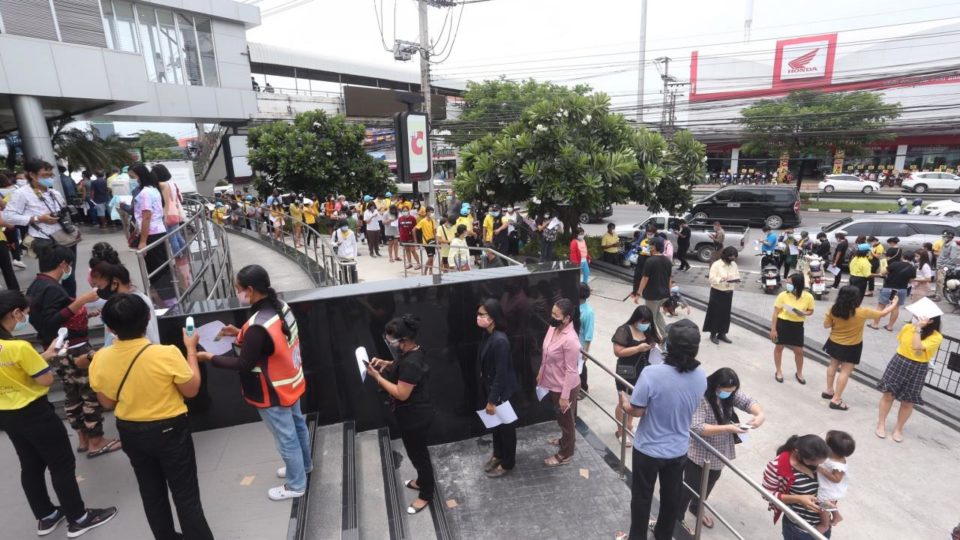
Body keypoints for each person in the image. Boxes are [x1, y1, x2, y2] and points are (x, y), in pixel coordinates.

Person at [90, 293, 213, 539]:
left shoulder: (100, 358)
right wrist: (190, 350)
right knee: (185, 493)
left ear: (109, 327)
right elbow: (191, 389)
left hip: (130, 431)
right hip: (170, 430)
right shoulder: (165, 354)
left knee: (151, 491)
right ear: (147, 318)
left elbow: (106, 402)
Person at [0, 290, 118, 538]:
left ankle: (46, 516)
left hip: (8, 415)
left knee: (30, 466)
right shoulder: (20, 347)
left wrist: (43, 356)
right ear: (15, 313)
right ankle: (79, 518)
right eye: (24, 313)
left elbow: (14, 369)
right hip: (36, 413)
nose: (25, 317)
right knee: (61, 464)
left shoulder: (15, 349)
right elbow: (44, 380)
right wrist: (45, 362)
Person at [197, 265, 310, 500]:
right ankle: (303, 467)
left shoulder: (258, 323)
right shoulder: (280, 307)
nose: (237, 293)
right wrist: (240, 332)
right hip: (291, 380)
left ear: (250, 289)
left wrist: (210, 358)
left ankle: (296, 485)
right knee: (298, 426)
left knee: (285, 436)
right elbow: (270, 341)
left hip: (271, 390)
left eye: (238, 288)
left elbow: (243, 364)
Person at [618, 319, 707, 540]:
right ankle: (663, 536)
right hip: (677, 450)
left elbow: (636, 411)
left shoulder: (651, 374)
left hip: (647, 449)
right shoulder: (700, 377)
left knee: (641, 498)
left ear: (668, 346)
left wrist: (623, 401)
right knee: (670, 500)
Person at [678, 368, 765, 534]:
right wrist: (728, 428)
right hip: (698, 452)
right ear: (716, 385)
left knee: (711, 480)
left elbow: (747, 402)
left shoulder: (730, 394)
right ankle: (677, 516)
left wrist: (760, 414)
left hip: (719, 452)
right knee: (690, 486)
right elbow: (697, 427)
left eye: (732, 391)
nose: (729, 394)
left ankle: (697, 507)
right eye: (725, 391)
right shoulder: (701, 397)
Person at [365, 315, 435, 514]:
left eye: (391, 339)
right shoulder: (414, 351)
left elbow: (401, 393)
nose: (389, 342)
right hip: (413, 414)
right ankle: (422, 480)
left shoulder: (412, 363)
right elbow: (401, 366)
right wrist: (386, 364)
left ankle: (426, 494)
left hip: (415, 418)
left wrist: (378, 377)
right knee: (416, 453)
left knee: (419, 456)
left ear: (403, 340)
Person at [3, 159, 79, 296]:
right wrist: (37, 218)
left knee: (69, 276)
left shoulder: (54, 193)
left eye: (51, 175)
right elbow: (8, 217)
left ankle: (72, 307)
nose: (49, 178)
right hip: (45, 240)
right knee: (49, 278)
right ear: (32, 174)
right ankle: (53, 306)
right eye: (45, 175)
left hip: (66, 238)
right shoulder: (21, 193)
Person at [823, 285, 899, 411]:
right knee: (845, 372)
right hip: (852, 345)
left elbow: (826, 325)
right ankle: (836, 399)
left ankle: (829, 390)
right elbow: (883, 314)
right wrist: (894, 303)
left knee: (832, 365)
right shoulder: (862, 312)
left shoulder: (833, 309)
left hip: (834, 342)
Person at [876, 315, 942, 442]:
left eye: (922, 317)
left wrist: (918, 329)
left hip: (919, 367)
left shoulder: (936, 336)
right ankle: (881, 423)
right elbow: (902, 343)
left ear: (931, 320)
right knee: (888, 395)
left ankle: (898, 428)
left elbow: (917, 346)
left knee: (908, 401)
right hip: (900, 361)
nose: (917, 318)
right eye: (917, 316)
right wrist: (916, 328)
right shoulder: (907, 327)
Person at [477, 299, 519, 478]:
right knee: (496, 427)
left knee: (506, 430)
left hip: (501, 394)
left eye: (482, 315)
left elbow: (501, 374)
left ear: (492, 317)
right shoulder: (488, 334)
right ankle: (498, 455)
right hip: (491, 389)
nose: (478, 318)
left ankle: (508, 463)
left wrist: (492, 400)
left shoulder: (500, 340)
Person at [537, 298, 581, 466]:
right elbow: (546, 352)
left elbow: (571, 370)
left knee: (567, 421)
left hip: (565, 388)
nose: (552, 317)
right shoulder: (553, 327)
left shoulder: (571, 340)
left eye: (556, 315)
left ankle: (566, 453)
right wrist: (542, 371)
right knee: (561, 419)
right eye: (552, 313)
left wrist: (564, 396)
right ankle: (564, 441)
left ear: (567, 318)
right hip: (552, 382)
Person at [761, 434, 830, 539]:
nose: (817, 465)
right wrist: (799, 499)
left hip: (824, 524)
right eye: (814, 462)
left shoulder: (816, 458)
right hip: (799, 530)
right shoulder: (776, 466)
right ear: (798, 453)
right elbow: (767, 495)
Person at [611, 305, 660, 441]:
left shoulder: (649, 330)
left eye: (647, 322)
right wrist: (637, 348)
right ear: (635, 319)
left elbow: (658, 342)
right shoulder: (624, 330)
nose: (645, 325)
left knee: (635, 401)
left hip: (643, 372)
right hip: (626, 371)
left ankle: (629, 425)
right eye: (642, 322)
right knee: (623, 401)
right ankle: (621, 431)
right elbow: (618, 352)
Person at [129, 164, 174, 302]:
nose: (132, 180)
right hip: (159, 231)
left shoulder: (145, 193)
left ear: (139, 175)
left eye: (132, 176)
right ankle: (170, 298)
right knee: (162, 268)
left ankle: (169, 301)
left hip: (151, 234)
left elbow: (146, 217)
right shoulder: (153, 189)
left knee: (156, 269)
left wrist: (142, 241)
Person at [91, 261, 159, 346]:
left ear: (115, 283)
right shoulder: (118, 303)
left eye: (100, 286)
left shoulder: (136, 303)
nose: (99, 291)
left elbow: (150, 335)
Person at [771, 273, 815, 385]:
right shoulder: (783, 295)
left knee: (799, 351)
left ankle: (799, 373)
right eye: (787, 282)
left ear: (797, 284)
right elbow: (776, 312)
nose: (787, 284)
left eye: (790, 283)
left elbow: (811, 310)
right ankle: (778, 371)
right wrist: (773, 329)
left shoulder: (808, 297)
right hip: (783, 324)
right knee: (779, 347)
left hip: (797, 326)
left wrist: (804, 313)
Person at [816, 431, 855, 532]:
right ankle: (837, 516)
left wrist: (822, 470)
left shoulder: (838, 465)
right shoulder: (834, 456)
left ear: (831, 449)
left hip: (831, 488)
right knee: (830, 503)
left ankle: (824, 524)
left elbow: (837, 479)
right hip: (830, 486)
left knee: (822, 505)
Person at [632, 237, 671, 338]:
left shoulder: (650, 261)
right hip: (664, 295)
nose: (648, 247)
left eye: (650, 245)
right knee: (657, 314)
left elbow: (644, 279)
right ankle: (666, 336)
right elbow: (669, 278)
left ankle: (655, 339)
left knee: (650, 319)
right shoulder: (667, 260)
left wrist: (638, 294)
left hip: (653, 296)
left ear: (654, 247)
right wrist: (669, 293)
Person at [870, 248, 915, 331]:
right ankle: (890, 326)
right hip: (902, 289)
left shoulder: (895, 264)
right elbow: (911, 281)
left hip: (889, 287)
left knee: (881, 306)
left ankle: (875, 324)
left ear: (902, 257)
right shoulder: (912, 268)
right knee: (895, 307)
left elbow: (883, 272)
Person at [703, 247, 740, 345]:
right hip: (717, 292)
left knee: (725, 314)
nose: (733, 259)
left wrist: (734, 278)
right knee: (715, 313)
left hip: (728, 292)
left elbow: (737, 274)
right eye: (731, 257)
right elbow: (711, 279)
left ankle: (722, 333)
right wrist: (721, 279)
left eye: (734, 257)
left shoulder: (734, 265)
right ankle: (713, 334)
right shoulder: (716, 265)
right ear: (725, 255)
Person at [578, 282, 595, 393]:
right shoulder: (575, 306)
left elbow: (589, 333)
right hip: (573, 342)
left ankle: (584, 388)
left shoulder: (588, 312)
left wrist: (586, 352)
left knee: (581, 367)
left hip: (581, 344)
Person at [936, 230, 959, 299]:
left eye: (946, 237)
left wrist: (945, 266)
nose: (944, 238)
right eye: (944, 236)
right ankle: (937, 294)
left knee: (941, 281)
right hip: (940, 265)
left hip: (945, 266)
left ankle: (940, 296)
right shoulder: (945, 243)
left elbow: (953, 258)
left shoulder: (953, 245)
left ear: (950, 237)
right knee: (938, 281)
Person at [415, 206, 437, 274]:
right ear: (427, 212)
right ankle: (425, 271)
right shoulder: (423, 221)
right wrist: (416, 241)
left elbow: (434, 231)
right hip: (426, 242)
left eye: (433, 212)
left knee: (432, 257)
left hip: (432, 241)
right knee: (430, 257)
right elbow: (414, 229)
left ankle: (430, 270)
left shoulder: (433, 221)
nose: (432, 213)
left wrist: (436, 241)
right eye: (431, 212)